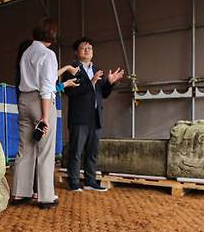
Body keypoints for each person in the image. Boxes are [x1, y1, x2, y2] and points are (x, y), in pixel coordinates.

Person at [11, 18, 79, 209]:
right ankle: (45, 196)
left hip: (23, 100)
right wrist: (44, 116)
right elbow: (47, 87)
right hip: (40, 102)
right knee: (45, 150)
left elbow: (34, 78)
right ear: (52, 36)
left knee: (25, 148)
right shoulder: (48, 55)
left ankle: (19, 193)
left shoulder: (26, 52)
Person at [62, 37, 124, 192]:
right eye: (83, 48)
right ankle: (74, 182)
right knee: (76, 151)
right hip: (79, 117)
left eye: (90, 47)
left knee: (92, 151)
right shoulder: (72, 69)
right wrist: (90, 82)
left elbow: (103, 94)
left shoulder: (97, 70)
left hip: (95, 117)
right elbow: (70, 92)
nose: (87, 50)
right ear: (76, 52)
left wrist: (110, 83)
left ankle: (90, 181)